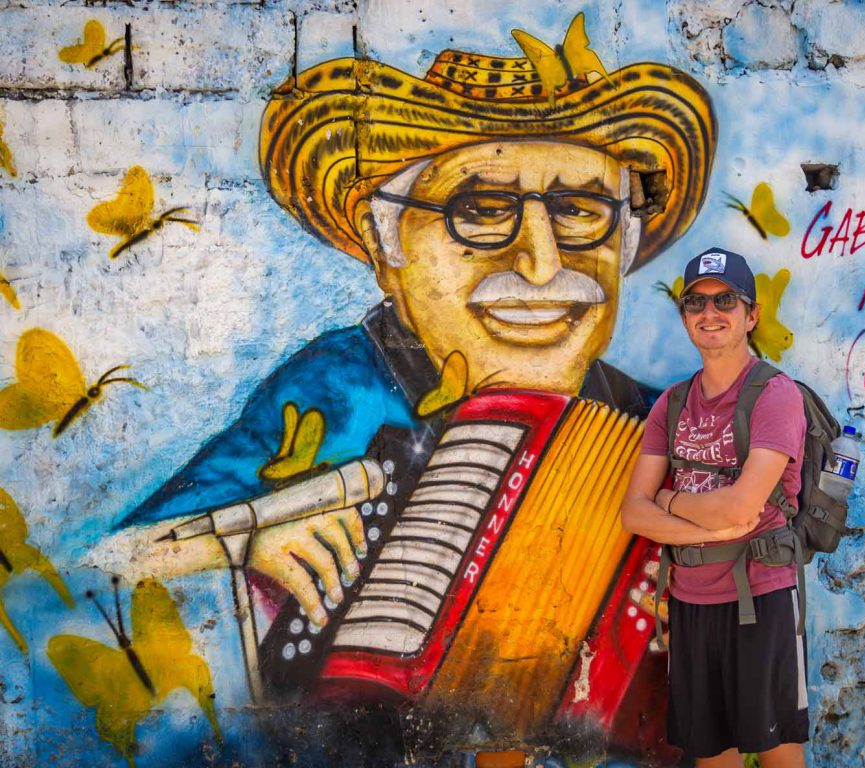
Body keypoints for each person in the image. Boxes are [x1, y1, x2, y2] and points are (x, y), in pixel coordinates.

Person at [91, 32, 717, 764]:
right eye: (482, 210)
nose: (543, 263)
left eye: (582, 212)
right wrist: (244, 542)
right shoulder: (334, 393)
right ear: (387, 242)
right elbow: (112, 568)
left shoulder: (656, 426)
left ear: (628, 239)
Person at [620, 247, 809, 768]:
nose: (710, 312)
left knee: (777, 750)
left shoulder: (775, 395)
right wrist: (702, 524)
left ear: (751, 316)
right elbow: (633, 513)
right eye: (696, 302)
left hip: (762, 596)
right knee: (711, 754)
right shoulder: (672, 403)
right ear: (685, 318)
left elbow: (744, 505)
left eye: (726, 299)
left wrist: (671, 500)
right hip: (691, 600)